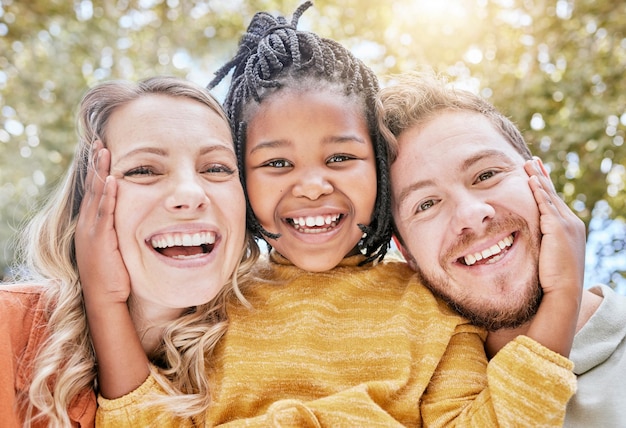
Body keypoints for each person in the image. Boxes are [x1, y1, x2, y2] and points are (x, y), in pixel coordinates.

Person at [90, 2, 579, 427]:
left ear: (381, 176)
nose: (312, 185)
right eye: (276, 163)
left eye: (341, 158)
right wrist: (105, 298)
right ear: (239, 177)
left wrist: (561, 296)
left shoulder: (431, 313)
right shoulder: (211, 307)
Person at [0, 75, 258, 428]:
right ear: (86, 204)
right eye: (143, 170)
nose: (190, 193)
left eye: (216, 168)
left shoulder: (277, 344)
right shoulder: (7, 329)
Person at [378, 70, 625, 427]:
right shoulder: (398, 399)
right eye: (427, 204)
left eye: (485, 175)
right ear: (407, 253)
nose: (471, 215)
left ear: (539, 177)